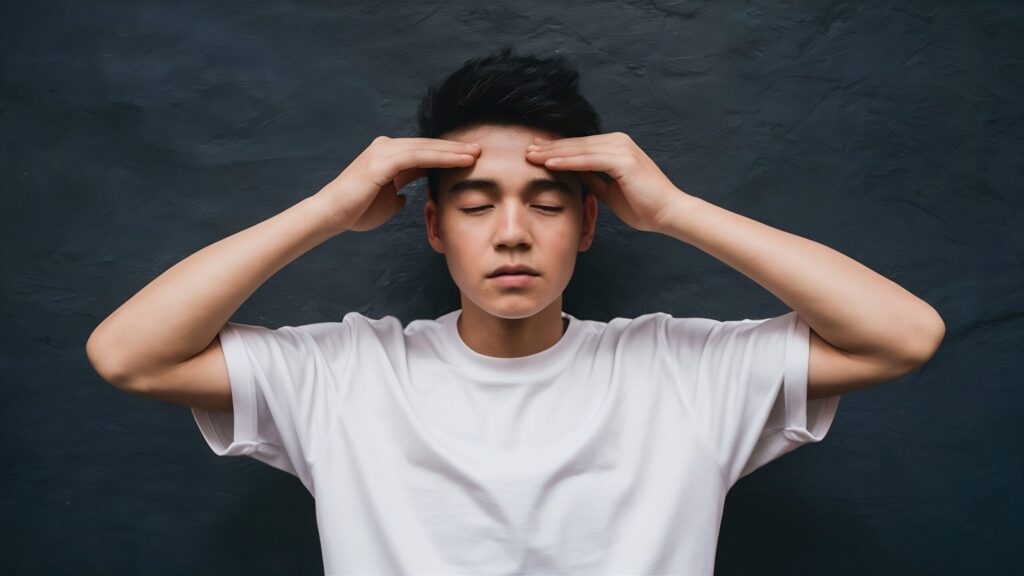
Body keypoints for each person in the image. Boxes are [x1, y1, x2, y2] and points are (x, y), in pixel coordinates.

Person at [86, 46, 945, 575]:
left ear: (588, 225)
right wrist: (328, 209)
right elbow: (130, 355)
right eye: (474, 205)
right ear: (433, 227)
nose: (510, 233)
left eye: (544, 203)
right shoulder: (345, 373)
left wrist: (676, 209)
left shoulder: (685, 371)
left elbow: (904, 335)